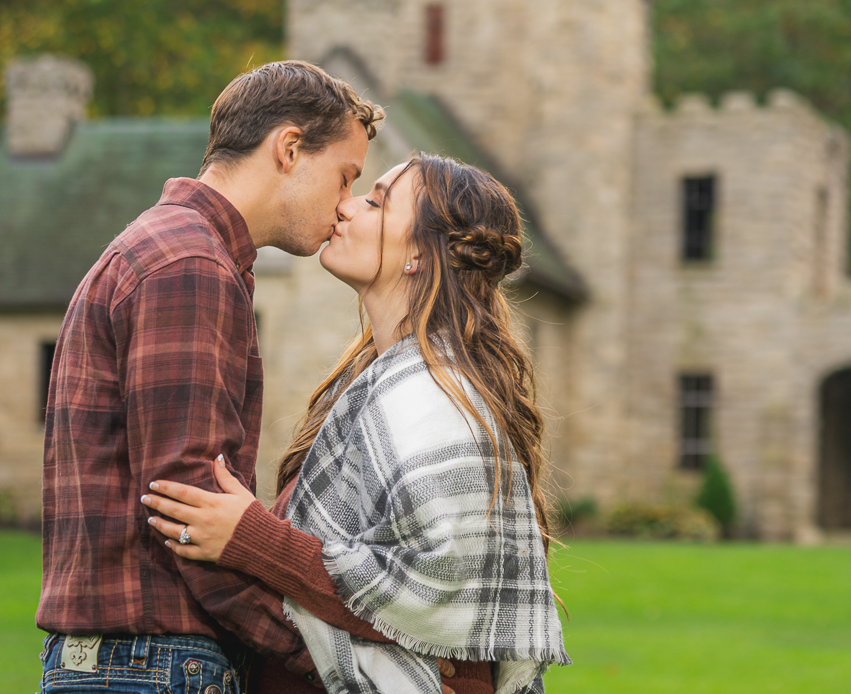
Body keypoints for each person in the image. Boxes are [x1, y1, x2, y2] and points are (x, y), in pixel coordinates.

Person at [141, 153, 569, 694]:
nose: (345, 207)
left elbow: (431, 598)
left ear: (420, 253)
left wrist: (253, 538)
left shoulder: (440, 400)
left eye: (376, 201)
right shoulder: (380, 386)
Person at [37, 61, 384, 693]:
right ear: (288, 148)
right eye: (345, 177)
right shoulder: (190, 263)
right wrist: (330, 665)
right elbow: (189, 515)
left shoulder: (180, 250)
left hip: (132, 665)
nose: (344, 206)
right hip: (152, 665)